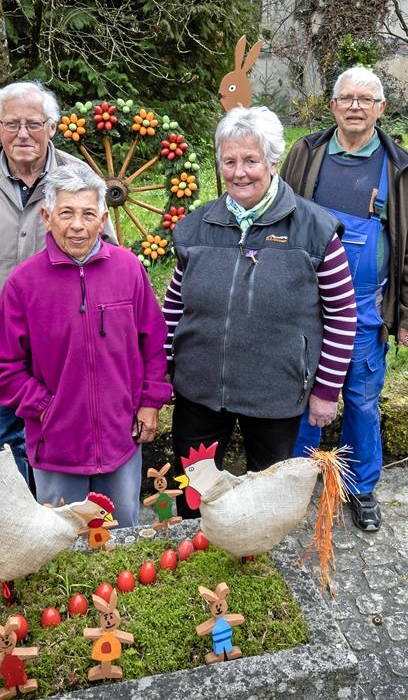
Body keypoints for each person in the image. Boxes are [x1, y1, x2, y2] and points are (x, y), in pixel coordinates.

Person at [164, 105, 357, 518]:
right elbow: (174, 306)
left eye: (251, 160)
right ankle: (194, 553)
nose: (239, 172)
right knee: (193, 493)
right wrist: (163, 369)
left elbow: (342, 316)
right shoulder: (196, 228)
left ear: (272, 160)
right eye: (229, 161)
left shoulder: (314, 229)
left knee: (266, 498)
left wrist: (325, 391)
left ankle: (256, 562)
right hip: (199, 392)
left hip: (275, 395)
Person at [0, 81, 115, 481]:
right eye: (11, 124)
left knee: (63, 422)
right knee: (5, 433)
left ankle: (61, 513)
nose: (23, 134)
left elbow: (110, 256)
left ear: (52, 127)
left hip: (65, 333)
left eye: (34, 123)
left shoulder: (79, 177)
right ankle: (15, 522)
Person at [279, 66, 408, 532]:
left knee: (362, 401)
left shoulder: (399, 167)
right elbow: (278, 216)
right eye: (347, 98)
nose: (356, 107)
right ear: (333, 106)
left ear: (381, 109)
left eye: (367, 99)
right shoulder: (306, 154)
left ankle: (361, 489)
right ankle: (296, 483)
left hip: (366, 308)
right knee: (302, 394)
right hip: (306, 304)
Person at [0, 164, 172, 527]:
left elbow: (154, 343)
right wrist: (45, 407)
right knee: (62, 541)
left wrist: (150, 402)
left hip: (120, 440)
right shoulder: (24, 284)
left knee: (122, 534)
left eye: (87, 214)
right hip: (56, 448)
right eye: (66, 213)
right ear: (47, 217)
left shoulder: (129, 270)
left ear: (103, 218)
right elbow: (1, 366)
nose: (77, 225)